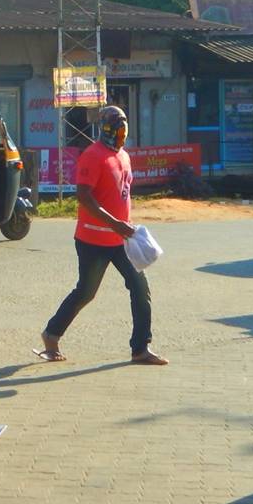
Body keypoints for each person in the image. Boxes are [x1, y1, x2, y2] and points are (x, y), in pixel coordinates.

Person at [38, 105, 168, 366]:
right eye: (115, 128)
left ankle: (141, 348)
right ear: (105, 129)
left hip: (121, 239)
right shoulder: (93, 156)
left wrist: (126, 226)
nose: (120, 134)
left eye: (123, 128)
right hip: (92, 240)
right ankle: (51, 335)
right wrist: (114, 223)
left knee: (140, 288)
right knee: (86, 292)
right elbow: (84, 196)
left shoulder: (123, 156)